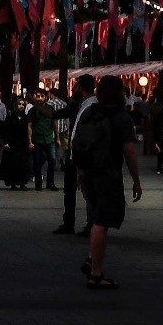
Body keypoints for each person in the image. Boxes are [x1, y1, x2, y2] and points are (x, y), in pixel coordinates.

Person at [72, 77, 141, 288]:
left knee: (97, 218)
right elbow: (129, 151)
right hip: (108, 174)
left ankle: (93, 259)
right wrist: (136, 180)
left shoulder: (91, 112)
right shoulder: (122, 118)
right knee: (102, 223)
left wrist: (80, 173)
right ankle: (96, 272)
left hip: (89, 172)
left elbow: (81, 143)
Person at [54, 75, 96, 235]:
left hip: (85, 155)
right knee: (71, 190)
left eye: (75, 86)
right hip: (74, 154)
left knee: (88, 191)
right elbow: (54, 114)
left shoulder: (90, 107)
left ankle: (91, 225)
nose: (72, 89)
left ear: (81, 87)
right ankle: (70, 222)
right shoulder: (76, 105)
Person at [0, 96, 32, 189]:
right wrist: (6, 142)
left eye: (23, 105)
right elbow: (6, 130)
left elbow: (29, 129)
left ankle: (22, 183)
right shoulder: (11, 116)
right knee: (13, 163)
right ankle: (13, 183)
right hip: (13, 143)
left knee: (23, 164)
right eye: (19, 104)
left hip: (23, 143)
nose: (21, 106)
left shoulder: (26, 117)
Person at [29, 89, 57, 190]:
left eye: (42, 96)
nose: (40, 98)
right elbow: (29, 126)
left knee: (52, 161)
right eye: (38, 96)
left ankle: (50, 183)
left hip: (49, 138)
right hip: (37, 139)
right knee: (37, 162)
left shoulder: (50, 108)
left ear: (46, 97)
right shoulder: (32, 111)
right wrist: (30, 141)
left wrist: (57, 138)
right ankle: (38, 184)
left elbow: (54, 124)